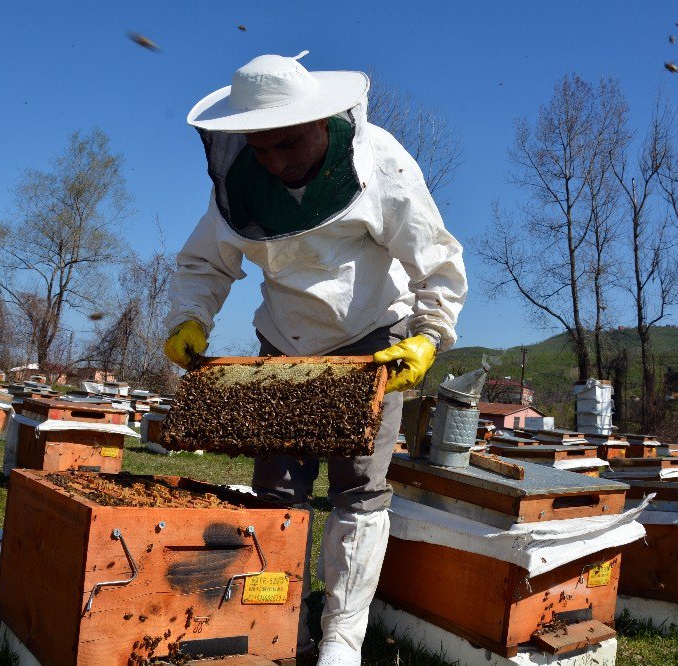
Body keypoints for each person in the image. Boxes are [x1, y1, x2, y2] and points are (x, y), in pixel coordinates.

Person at [164, 52, 467, 666]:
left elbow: (434, 258)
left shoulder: (379, 160)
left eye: (285, 144)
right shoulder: (240, 182)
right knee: (277, 494)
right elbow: (204, 261)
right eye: (259, 147)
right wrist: (189, 318)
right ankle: (280, 621)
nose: (273, 160)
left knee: (359, 492)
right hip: (284, 348)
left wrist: (428, 335)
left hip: (372, 341)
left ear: (321, 123)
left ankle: (341, 639)